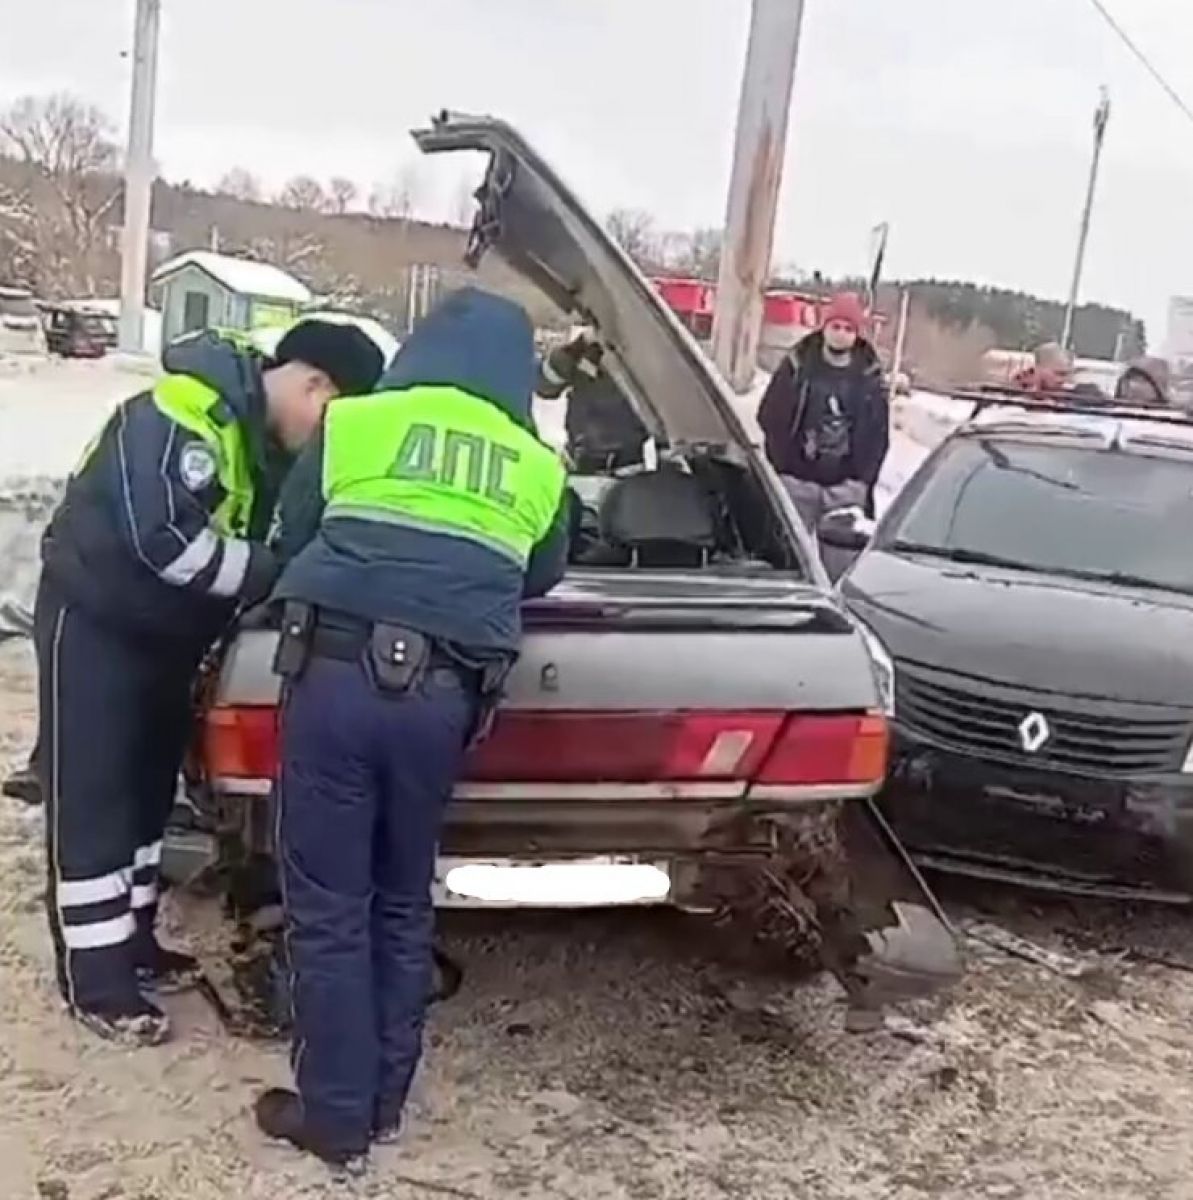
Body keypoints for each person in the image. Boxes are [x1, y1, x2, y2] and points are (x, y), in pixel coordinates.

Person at [255, 287, 569, 1169]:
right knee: (400, 900)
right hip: (443, 697)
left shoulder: (355, 424)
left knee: (327, 906)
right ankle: (385, 1102)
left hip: (334, 677)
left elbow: (291, 530)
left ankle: (335, 1116)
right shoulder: (536, 464)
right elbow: (539, 573)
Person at [35, 320, 383, 1046]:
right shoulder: (181, 412)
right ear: (313, 383)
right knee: (96, 796)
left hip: (162, 636)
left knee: (144, 799)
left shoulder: (259, 446)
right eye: (333, 416)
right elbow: (162, 541)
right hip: (97, 622)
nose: (323, 441)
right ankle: (95, 983)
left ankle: (131, 945)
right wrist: (272, 576)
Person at [757, 291, 890, 532]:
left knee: (839, 565)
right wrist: (782, 468)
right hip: (797, 484)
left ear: (857, 334)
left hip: (846, 492)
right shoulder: (798, 365)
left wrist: (862, 481)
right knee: (789, 559)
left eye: (848, 329)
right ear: (824, 327)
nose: (840, 334)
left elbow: (878, 435)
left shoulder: (870, 377)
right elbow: (770, 415)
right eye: (835, 326)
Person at [535, 327, 650, 471]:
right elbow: (546, 388)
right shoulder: (584, 351)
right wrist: (573, 350)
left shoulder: (647, 359)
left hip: (629, 462)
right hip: (583, 459)